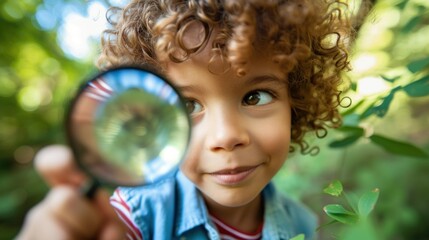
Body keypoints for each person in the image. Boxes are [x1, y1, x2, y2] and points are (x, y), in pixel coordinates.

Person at [17, 0, 352, 239]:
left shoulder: (304, 226)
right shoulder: (129, 219)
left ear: (297, 102)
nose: (226, 136)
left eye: (256, 97)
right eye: (187, 105)